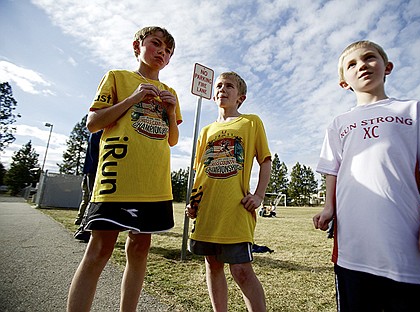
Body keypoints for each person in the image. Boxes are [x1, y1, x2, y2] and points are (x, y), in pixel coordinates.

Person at [312, 40, 420, 311]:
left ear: (387, 66)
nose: (362, 65)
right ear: (343, 82)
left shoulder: (413, 110)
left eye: (370, 58)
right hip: (352, 249)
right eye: (352, 64)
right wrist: (328, 207)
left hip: (406, 244)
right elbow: (332, 170)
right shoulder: (338, 123)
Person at [67, 26, 182, 312]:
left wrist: (169, 111)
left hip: (154, 183)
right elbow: (92, 123)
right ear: (137, 46)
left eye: (168, 51)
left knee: (140, 250)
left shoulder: (170, 91)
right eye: (156, 44)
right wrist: (132, 99)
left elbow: (172, 139)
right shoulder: (117, 77)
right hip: (117, 176)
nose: (162, 52)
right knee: (99, 250)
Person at [185, 71, 271, 312]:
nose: (222, 89)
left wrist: (259, 195)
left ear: (240, 97)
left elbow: (265, 160)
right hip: (207, 211)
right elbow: (200, 170)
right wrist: (193, 202)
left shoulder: (251, 122)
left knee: (241, 270)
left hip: (236, 209)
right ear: (214, 96)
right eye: (219, 86)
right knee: (212, 264)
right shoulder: (206, 131)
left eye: (229, 86)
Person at [74, 130, 103, 242]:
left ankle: (84, 227)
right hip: (97, 169)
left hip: (91, 169)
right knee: (94, 198)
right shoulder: (100, 132)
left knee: (92, 198)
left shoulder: (96, 131)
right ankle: (85, 229)